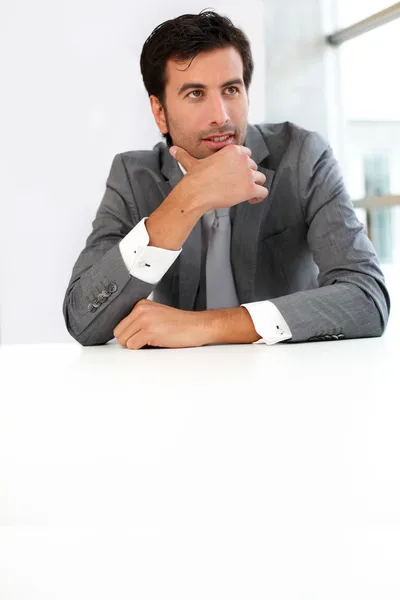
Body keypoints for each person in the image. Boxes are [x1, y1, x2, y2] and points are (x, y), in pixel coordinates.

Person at [62, 10, 390, 349]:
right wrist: (187, 200)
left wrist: (204, 327)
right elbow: (83, 320)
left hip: (287, 378)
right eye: (195, 94)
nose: (220, 116)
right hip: (177, 385)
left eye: (231, 89)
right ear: (160, 112)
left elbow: (367, 299)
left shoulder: (302, 156)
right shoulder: (133, 176)